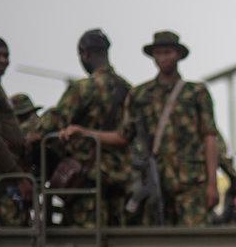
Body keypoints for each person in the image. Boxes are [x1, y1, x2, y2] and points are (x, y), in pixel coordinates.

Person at [65, 31, 220, 226]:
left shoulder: (196, 92)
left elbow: (210, 137)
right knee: (156, 244)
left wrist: (212, 184)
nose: (163, 58)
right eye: (159, 53)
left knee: (195, 242)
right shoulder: (140, 94)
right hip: (156, 183)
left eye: (168, 52)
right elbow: (123, 136)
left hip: (191, 184)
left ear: (178, 55)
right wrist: (85, 132)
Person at [35, 29, 132, 227]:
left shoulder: (82, 88)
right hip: (120, 177)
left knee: (84, 243)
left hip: (87, 178)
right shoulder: (128, 89)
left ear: (85, 54)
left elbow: (51, 125)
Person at [0, 35, 31, 226]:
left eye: (6, 56)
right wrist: (17, 175)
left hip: (5, 170)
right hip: (0, 173)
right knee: (12, 229)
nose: (2, 60)